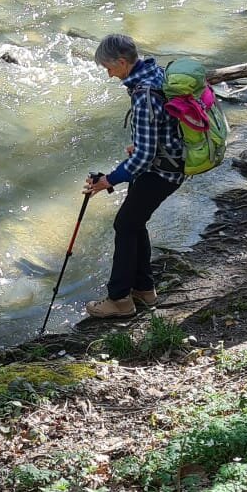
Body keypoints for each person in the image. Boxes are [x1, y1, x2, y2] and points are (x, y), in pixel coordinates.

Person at [82, 34, 184, 320]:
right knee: (134, 222)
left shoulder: (143, 96)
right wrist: (142, 145)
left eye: (108, 67)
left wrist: (109, 180)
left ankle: (119, 300)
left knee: (125, 224)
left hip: (164, 171)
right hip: (172, 160)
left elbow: (143, 158)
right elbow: (162, 130)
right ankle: (144, 289)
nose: (108, 73)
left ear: (123, 62)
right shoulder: (157, 73)